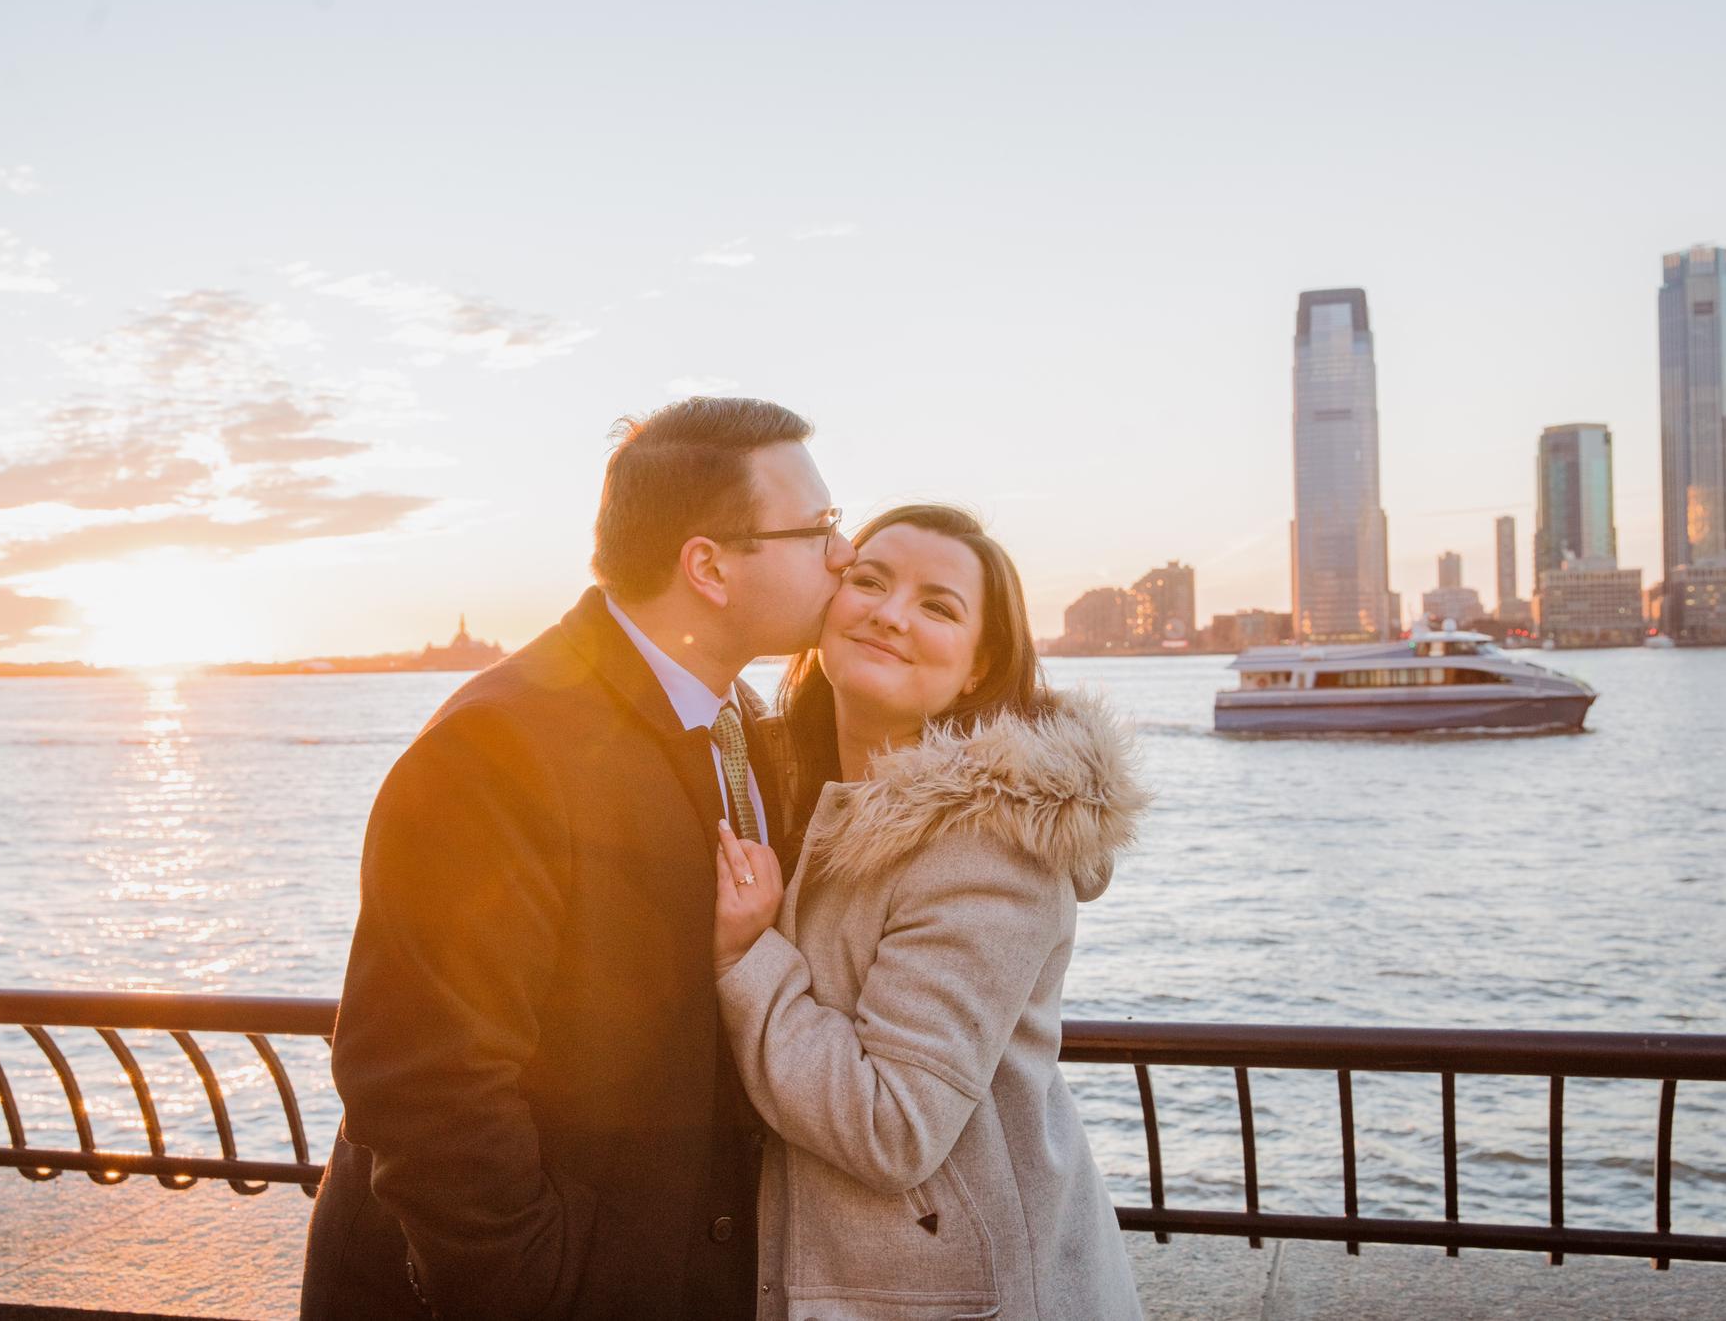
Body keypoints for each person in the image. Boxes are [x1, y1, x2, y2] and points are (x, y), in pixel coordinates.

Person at [301, 397, 854, 1320]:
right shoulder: (499, 747)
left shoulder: (744, 726)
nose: (845, 554)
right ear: (709, 566)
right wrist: (540, 1285)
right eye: (820, 530)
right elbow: (425, 1079)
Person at [711, 504, 1148, 1321]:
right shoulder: (798, 795)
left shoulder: (986, 842)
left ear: (979, 666)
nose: (889, 613)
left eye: (938, 606)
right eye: (869, 582)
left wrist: (746, 960)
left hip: (963, 1297)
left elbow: (894, 1127)